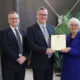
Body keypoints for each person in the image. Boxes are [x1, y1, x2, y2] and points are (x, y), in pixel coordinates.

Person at [26, 7, 55, 80]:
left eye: (45, 15)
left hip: (50, 61)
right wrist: (45, 50)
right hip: (38, 62)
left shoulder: (51, 27)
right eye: (41, 14)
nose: (43, 16)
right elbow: (31, 45)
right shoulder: (31, 29)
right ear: (37, 15)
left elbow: (54, 41)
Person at [1, 11, 28, 80]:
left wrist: (25, 57)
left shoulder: (23, 32)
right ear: (8, 20)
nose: (14, 20)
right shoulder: (3, 33)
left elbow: (27, 47)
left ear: (18, 20)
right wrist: (17, 58)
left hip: (21, 64)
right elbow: (6, 47)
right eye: (12, 18)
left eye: (16, 18)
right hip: (9, 65)